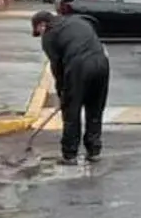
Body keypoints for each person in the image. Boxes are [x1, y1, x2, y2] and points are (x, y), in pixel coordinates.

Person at [32, 10, 110, 165]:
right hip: (102, 63)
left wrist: (63, 94)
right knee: (95, 109)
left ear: (42, 25)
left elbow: (57, 67)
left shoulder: (50, 35)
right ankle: (94, 151)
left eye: (38, 31)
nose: (40, 34)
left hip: (79, 67)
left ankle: (70, 154)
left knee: (71, 113)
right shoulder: (76, 21)